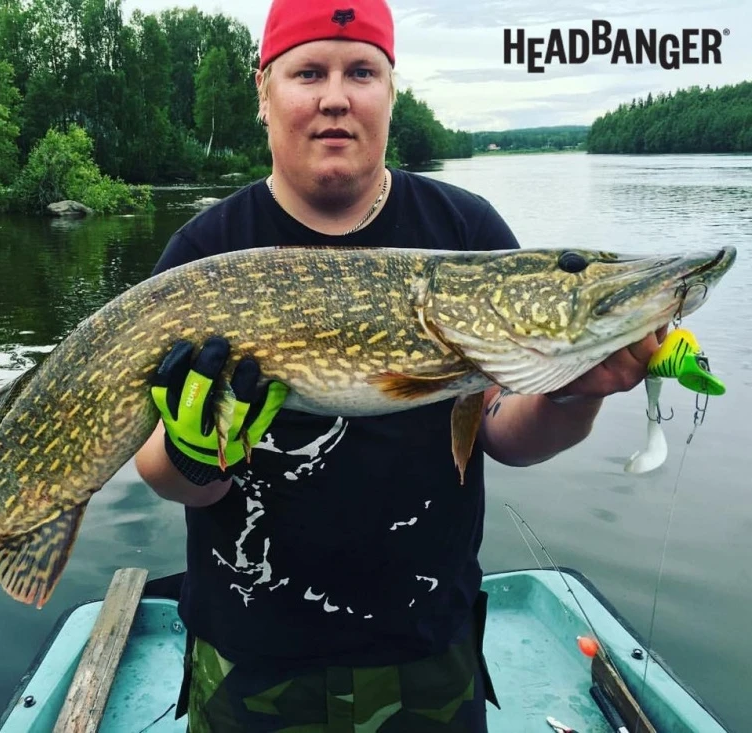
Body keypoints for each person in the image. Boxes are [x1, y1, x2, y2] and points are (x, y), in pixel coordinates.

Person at [135, 0, 662, 730]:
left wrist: (574, 392)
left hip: (427, 653)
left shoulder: (464, 231)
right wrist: (193, 458)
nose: (335, 97)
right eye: (308, 72)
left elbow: (505, 433)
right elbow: (156, 468)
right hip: (250, 657)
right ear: (263, 91)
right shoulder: (205, 250)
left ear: (389, 91)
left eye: (361, 72)